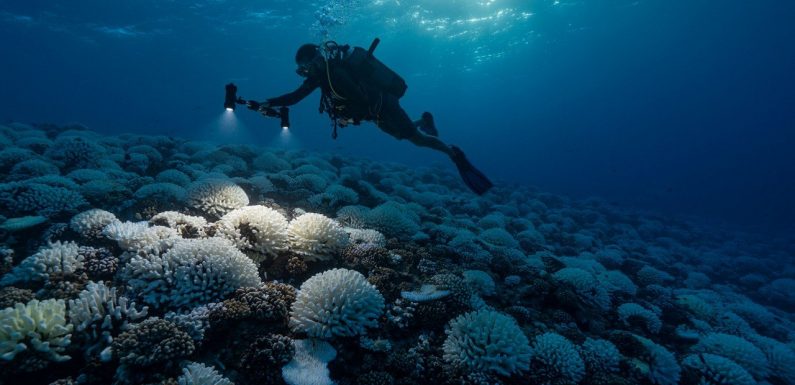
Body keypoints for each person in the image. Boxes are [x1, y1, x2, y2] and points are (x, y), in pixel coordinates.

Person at [248, 41, 493, 195]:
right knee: (401, 135)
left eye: (305, 66)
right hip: (375, 113)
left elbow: (361, 101)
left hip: (383, 106)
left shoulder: (335, 73)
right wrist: (268, 102)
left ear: (313, 60)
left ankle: (453, 153)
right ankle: (423, 120)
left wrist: (350, 119)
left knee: (415, 139)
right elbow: (295, 96)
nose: (305, 72)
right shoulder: (321, 77)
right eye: (303, 69)